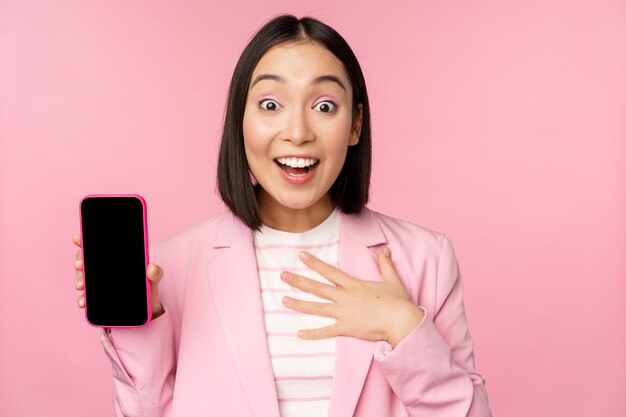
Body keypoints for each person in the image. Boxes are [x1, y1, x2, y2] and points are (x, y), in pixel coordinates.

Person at [73, 13, 492, 417]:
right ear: (241, 120)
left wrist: (404, 326)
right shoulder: (174, 267)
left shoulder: (426, 258)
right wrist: (141, 325)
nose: (297, 131)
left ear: (355, 124)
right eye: (270, 104)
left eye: (324, 106)